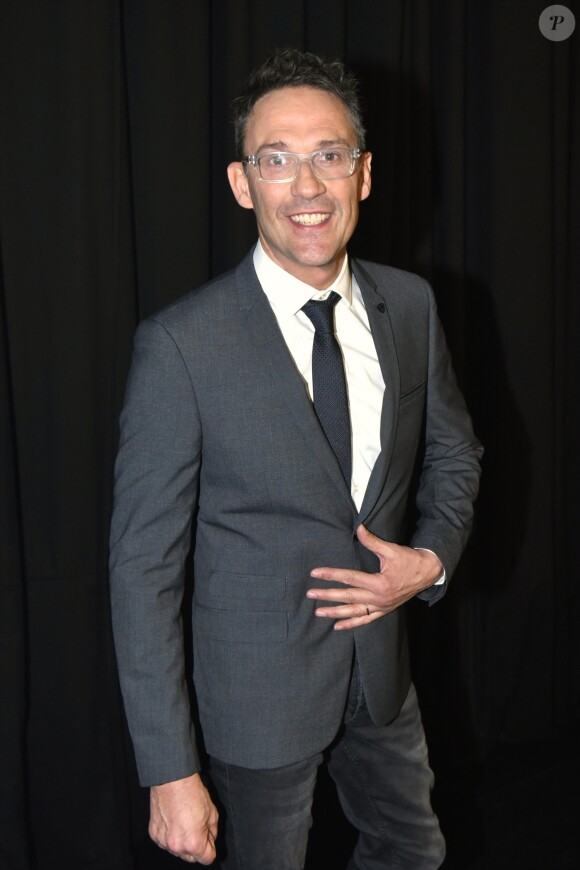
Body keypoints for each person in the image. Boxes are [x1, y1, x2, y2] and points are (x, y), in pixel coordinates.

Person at [109, 48, 482, 869]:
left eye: (329, 156)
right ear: (244, 184)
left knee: (413, 852)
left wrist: (430, 561)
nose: (307, 187)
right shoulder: (180, 346)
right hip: (255, 702)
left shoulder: (411, 307)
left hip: (383, 682)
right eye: (277, 160)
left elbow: (457, 453)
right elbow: (143, 570)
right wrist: (170, 768)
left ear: (365, 174)